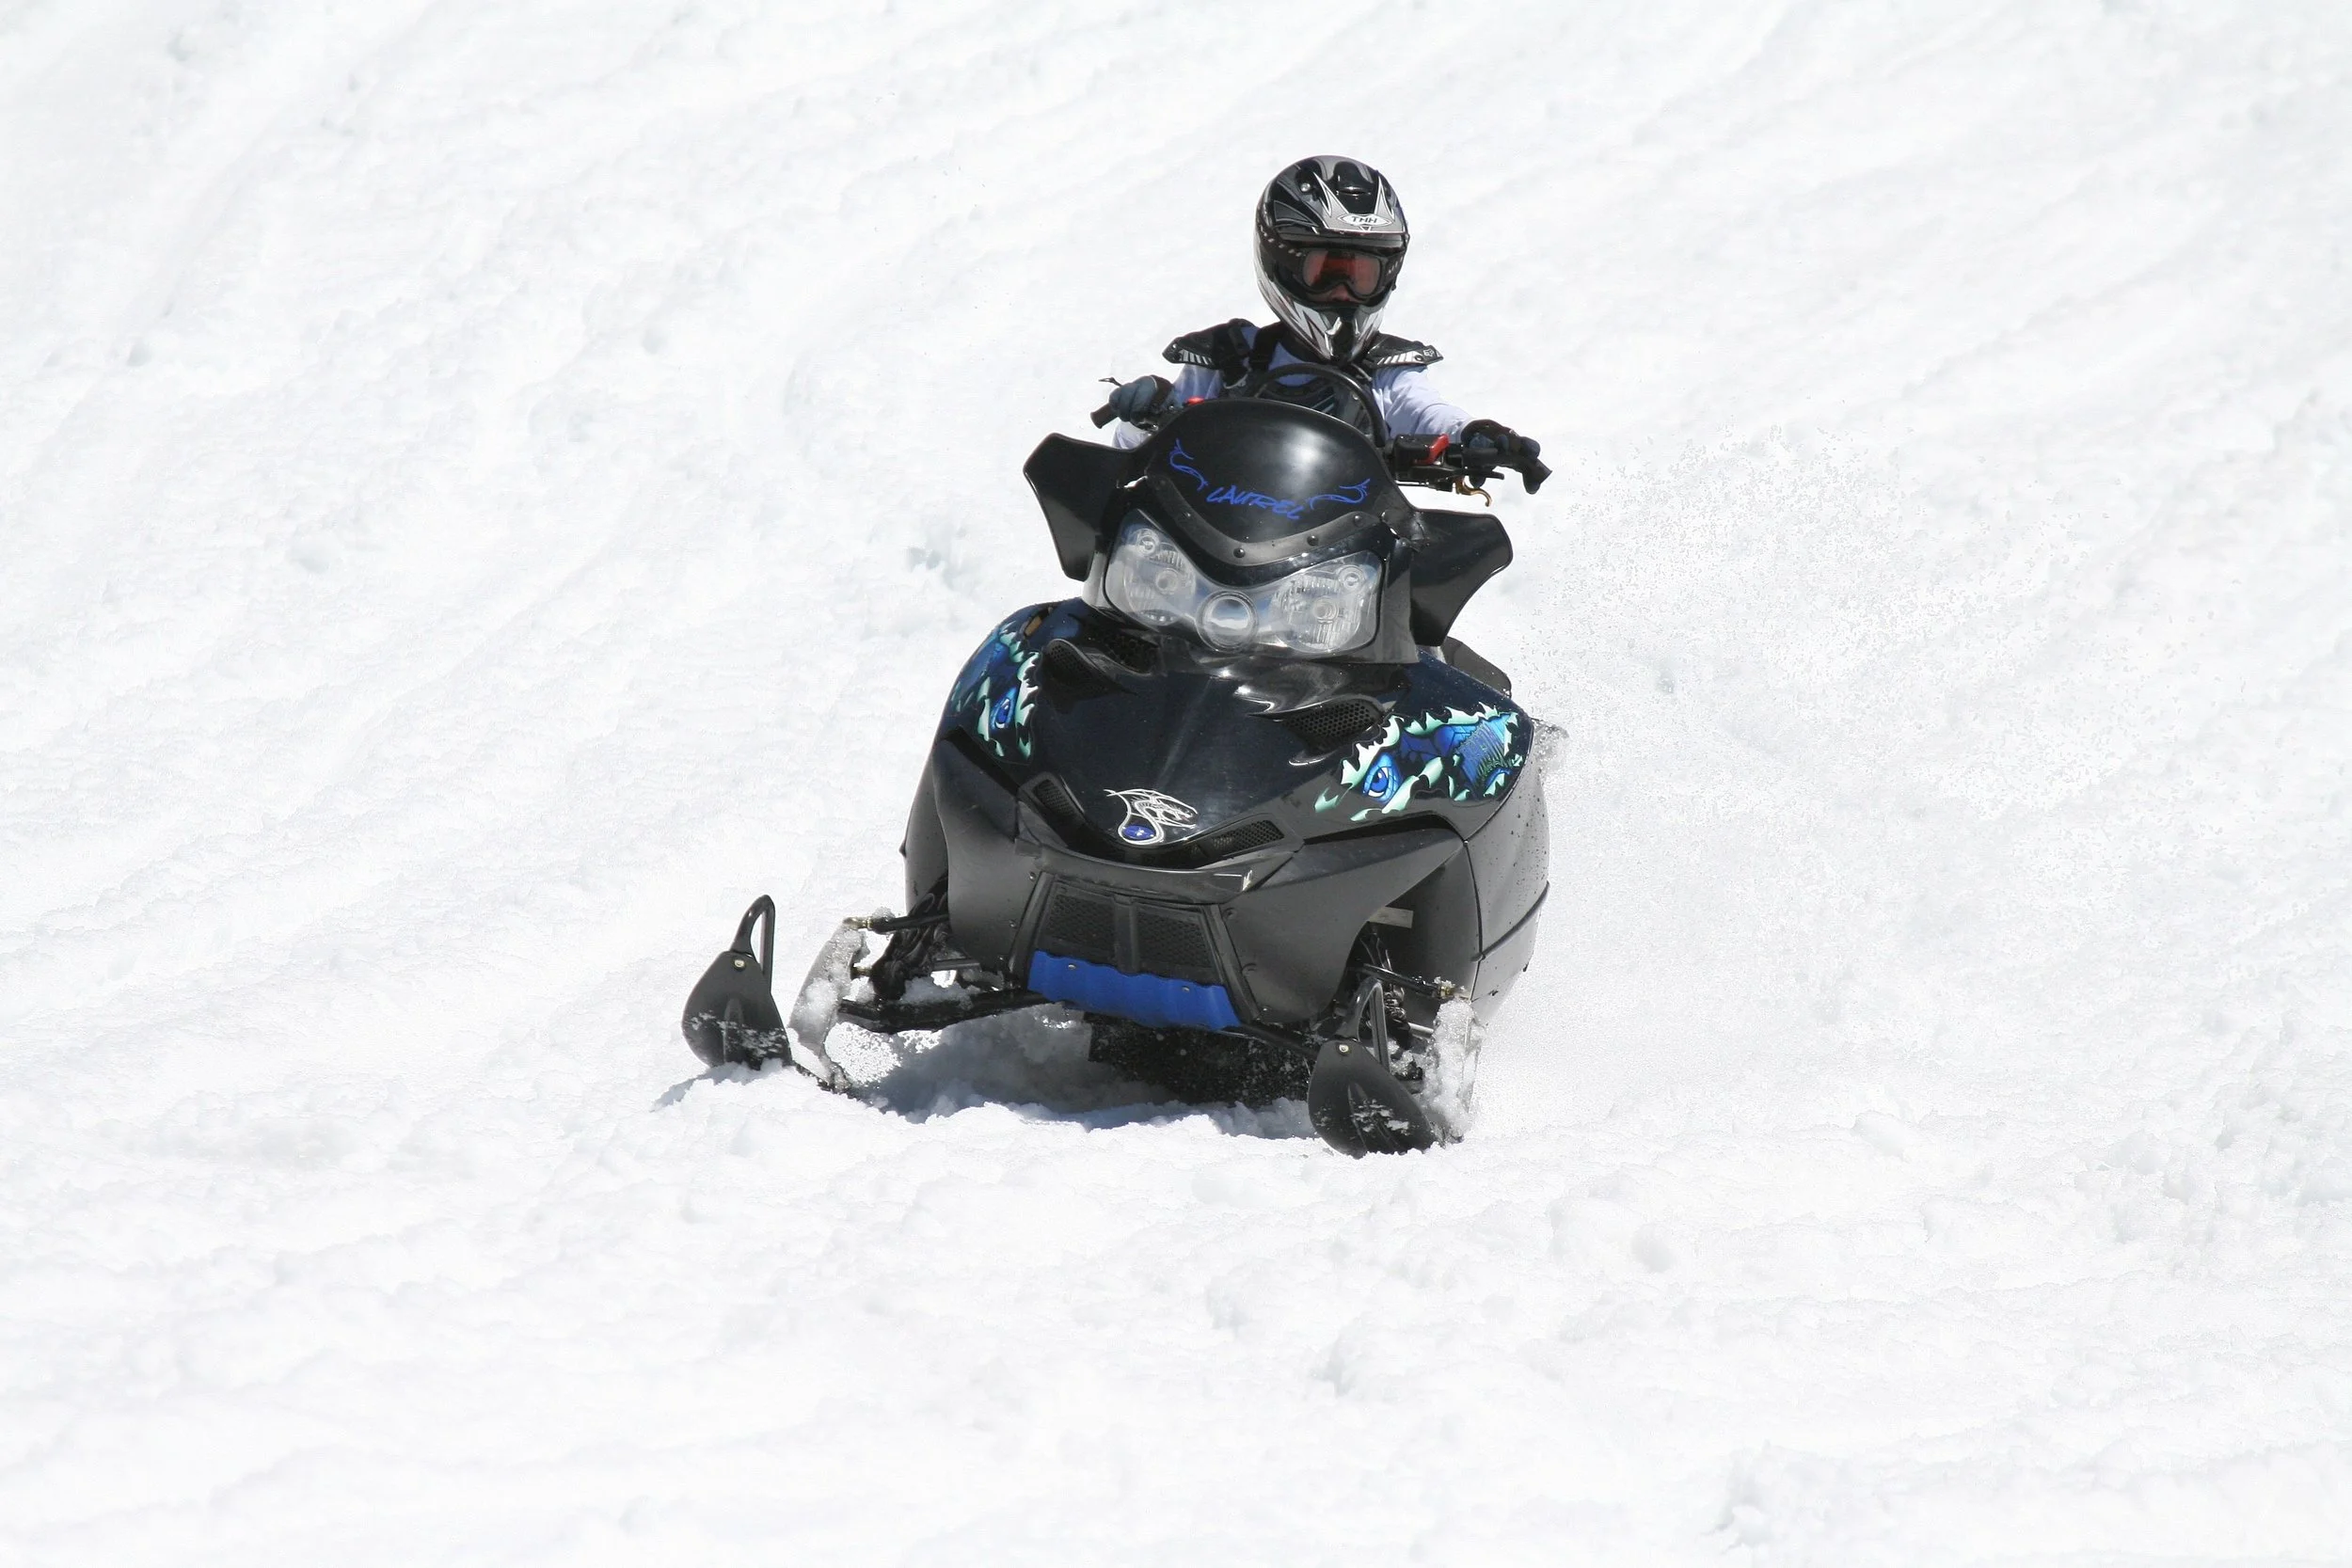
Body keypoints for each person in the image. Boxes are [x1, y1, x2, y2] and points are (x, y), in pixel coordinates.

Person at [1102, 155, 1545, 488]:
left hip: (1342, 555)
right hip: (1212, 542)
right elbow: (1132, 453)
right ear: (1282, 265)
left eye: (1360, 275)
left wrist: (1475, 434)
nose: (1343, 292)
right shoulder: (1228, 358)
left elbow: (1425, 412)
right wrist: (1146, 414)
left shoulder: (1385, 370)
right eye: (1327, 272)